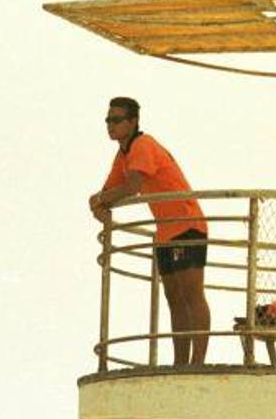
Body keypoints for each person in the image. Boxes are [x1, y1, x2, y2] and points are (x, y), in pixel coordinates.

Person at [89, 97, 210, 366]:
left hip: (187, 224)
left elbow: (131, 186)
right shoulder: (124, 154)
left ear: (132, 122)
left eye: (117, 120)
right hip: (167, 231)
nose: (110, 125)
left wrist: (98, 200)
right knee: (174, 297)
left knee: (191, 293)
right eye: (108, 120)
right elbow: (111, 190)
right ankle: (182, 363)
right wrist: (99, 200)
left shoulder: (143, 145)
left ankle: (198, 362)